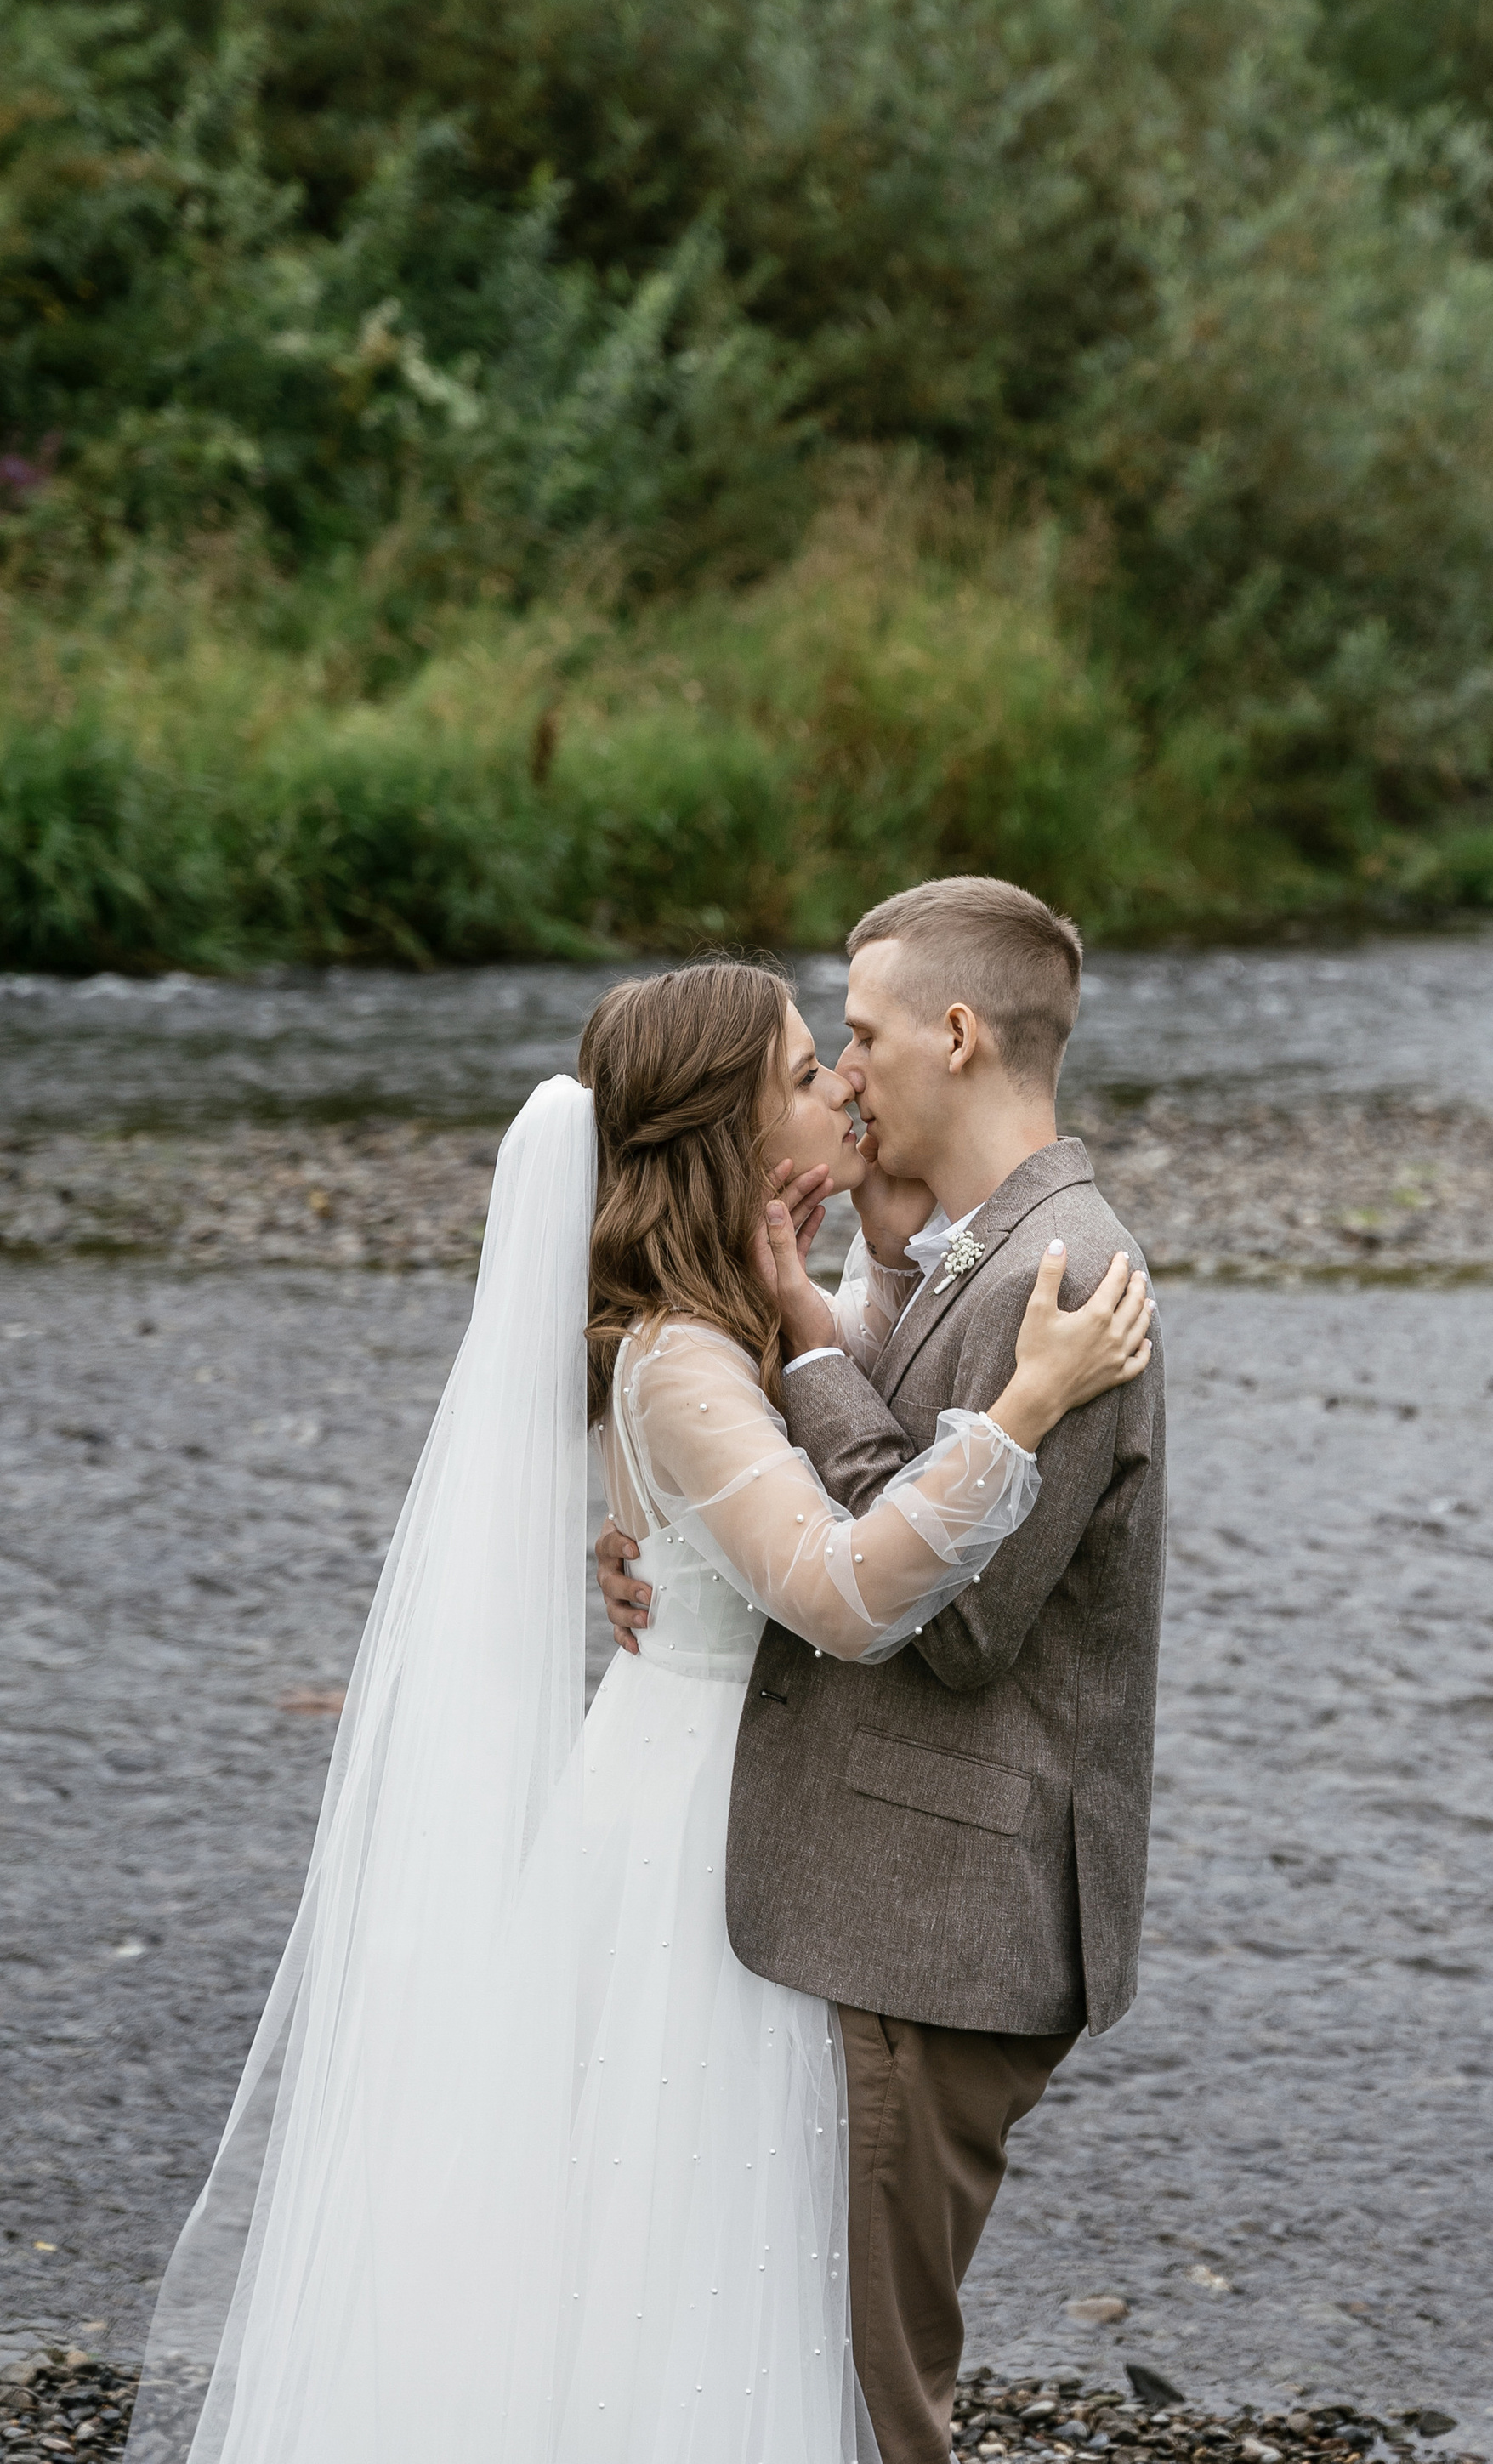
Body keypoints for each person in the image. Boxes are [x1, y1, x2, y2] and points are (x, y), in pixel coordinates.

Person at [127, 953, 1150, 2464]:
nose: (844, 1085)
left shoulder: (721, 1320)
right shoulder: (677, 1358)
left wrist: (839, 1275)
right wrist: (1024, 1409)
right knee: (695, 2243)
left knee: (706, 2239)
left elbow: (820, 1445)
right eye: (809, 1073)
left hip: (723, 1799)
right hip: (700, 1845)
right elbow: (849, 1592)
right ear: (736, 1139)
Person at [595, 876, 1167, 2464]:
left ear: (959, 1035)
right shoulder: (944, 1256)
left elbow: (955, 1623)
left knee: (865, 2392)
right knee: (793, 2355)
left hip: (940, 1900)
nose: (845, 1075)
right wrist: (664, 1526)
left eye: (852, 1036)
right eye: (815, 1056)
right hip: (857, 1882)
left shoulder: (1062, 1284)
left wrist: (836, 1349)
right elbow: (822, 1483)